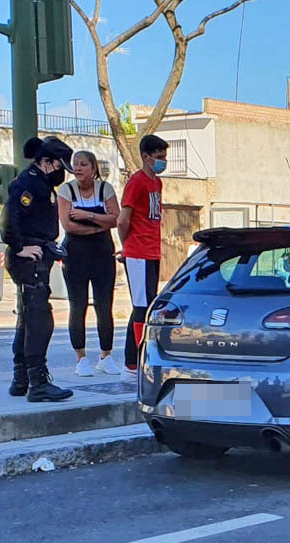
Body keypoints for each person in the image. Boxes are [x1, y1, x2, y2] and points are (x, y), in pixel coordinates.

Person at [3, 136, 76, 402]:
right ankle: (38, 381)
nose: (61, 173)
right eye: (59, 166)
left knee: (27, 318)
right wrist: (19, 246)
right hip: (29, 259)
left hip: (38, 255)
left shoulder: (39, 183)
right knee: (39, 319)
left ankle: (21, 377)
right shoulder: (29, 183)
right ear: (46, 162)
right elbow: (9, 217)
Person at [57, 150, 121, 377]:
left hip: (102, 252)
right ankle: (81, 358)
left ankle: (106, 356)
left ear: (93, 168)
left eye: (84, 164)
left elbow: (116, 218)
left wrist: (88, 216)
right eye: (75, 164)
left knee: (104, 305)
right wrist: (98, 225)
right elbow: (68, 225)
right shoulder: (66, 190)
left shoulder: (105, 189)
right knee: (78, 304)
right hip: (76, 253)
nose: (78, 168)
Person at [119, 134, 169, 380]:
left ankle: (139, 359)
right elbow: (123, 219)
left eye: (165, 157)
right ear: (146, 157)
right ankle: (132, 363)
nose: (163, 161)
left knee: (149, 306)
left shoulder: (157, 183)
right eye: (159, 157)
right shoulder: (136, 182)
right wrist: (126, 247)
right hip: (137, 252)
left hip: (152, 251)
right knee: (140, 307)